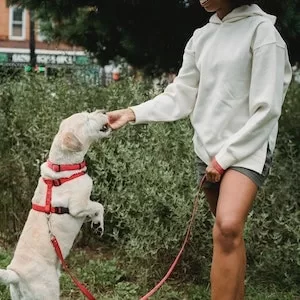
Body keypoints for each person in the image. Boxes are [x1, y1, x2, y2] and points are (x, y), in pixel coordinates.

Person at [107, 1, 292, 299]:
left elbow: (267, 110)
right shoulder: (201, 37)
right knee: (228, 237)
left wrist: (226, 158)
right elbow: (180, 95)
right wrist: (132, 112)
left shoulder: (264, 33)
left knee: (228, 226)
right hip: (206, 151)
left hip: (248, 148)